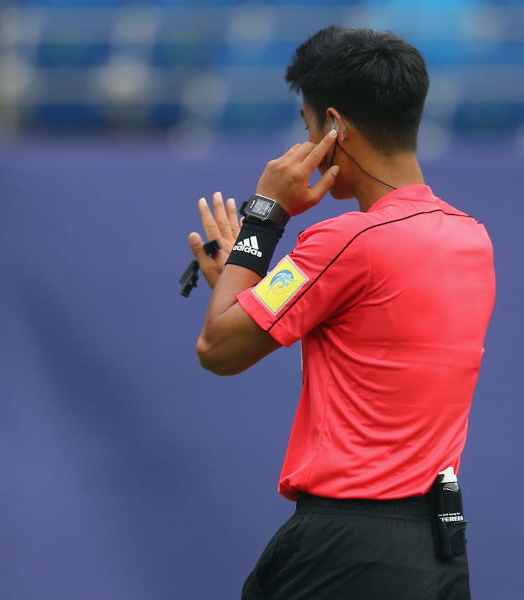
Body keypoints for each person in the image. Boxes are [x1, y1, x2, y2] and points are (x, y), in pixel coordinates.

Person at [186, 26, 495, 600]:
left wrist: (266, 213)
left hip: (346, 550)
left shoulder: (343, 242)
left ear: (334, 128)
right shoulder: (473, 238)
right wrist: (237, 282)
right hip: (438, 547)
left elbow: (218, 348)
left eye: (307, 129)